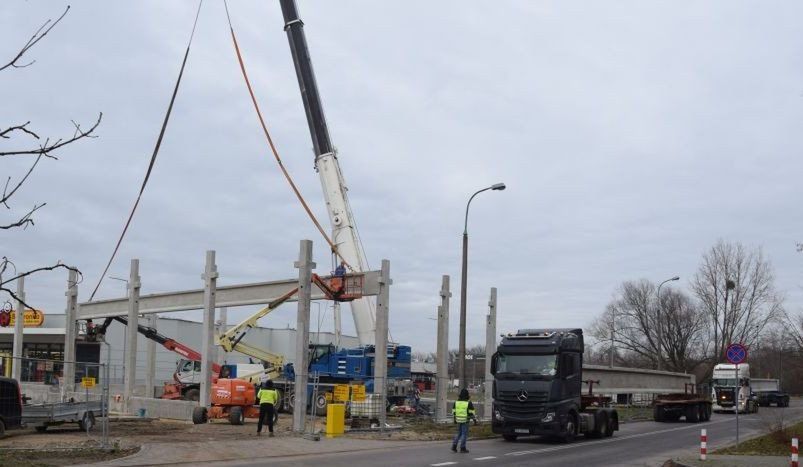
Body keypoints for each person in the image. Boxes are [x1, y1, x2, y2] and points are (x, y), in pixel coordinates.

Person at [451, 388, 476, 453]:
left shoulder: (456, 402)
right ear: (467, 395)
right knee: (464, 434)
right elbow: (472, 413)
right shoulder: (468, 403)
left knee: (458, 433)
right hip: (465, 420)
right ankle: (462, 448)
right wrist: (474, 420)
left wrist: (455, 420)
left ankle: (454, 446)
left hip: (458, 419)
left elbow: (454, 412)